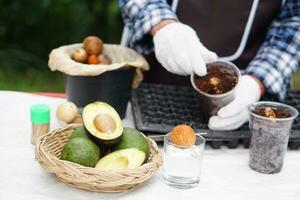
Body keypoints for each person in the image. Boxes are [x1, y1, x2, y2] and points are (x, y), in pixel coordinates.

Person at [119, 0, 300, 130]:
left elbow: (295, 20)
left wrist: (257, 82)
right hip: (150, 92)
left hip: (242, 99)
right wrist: (161, 25)